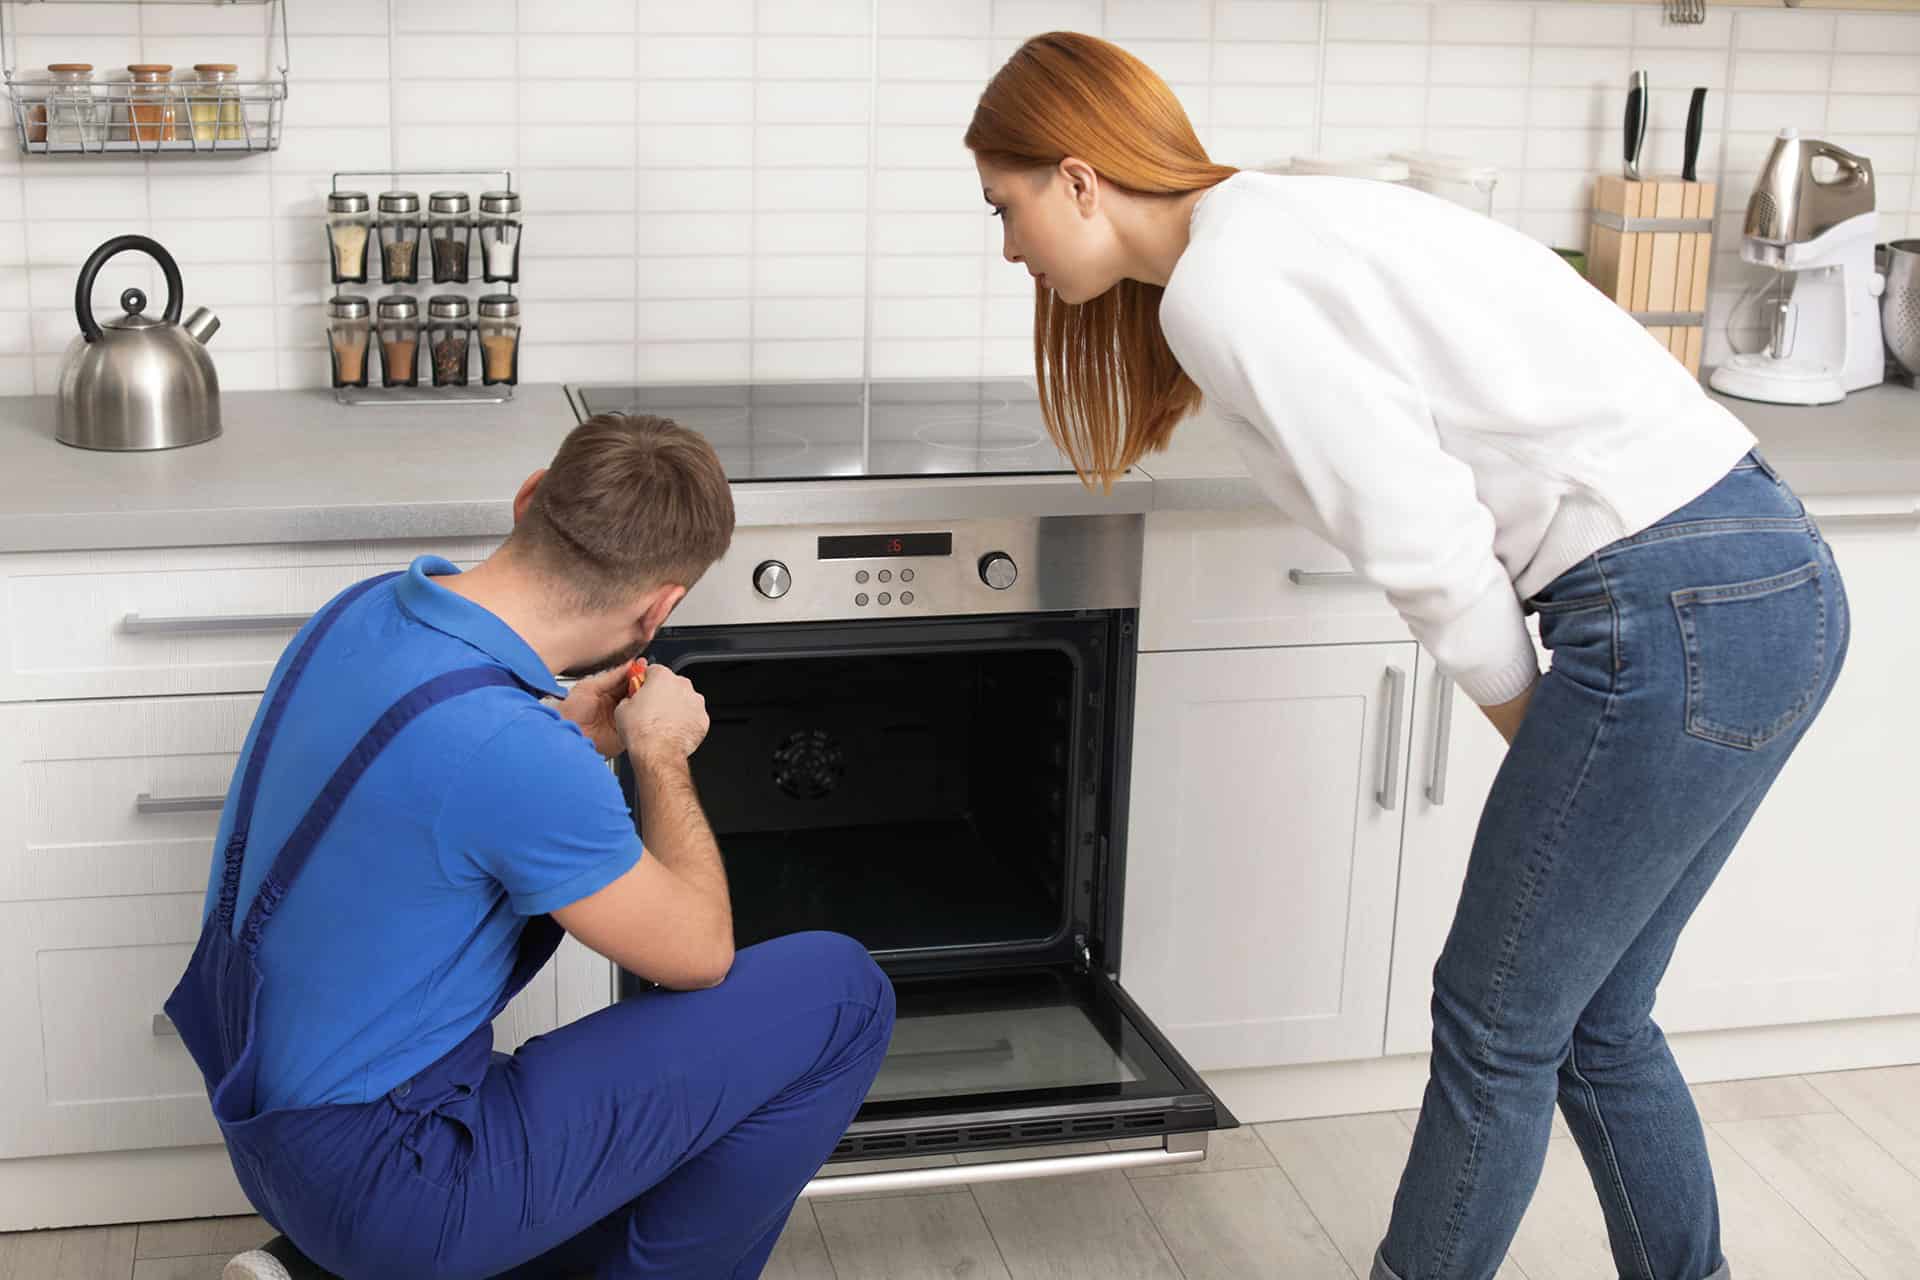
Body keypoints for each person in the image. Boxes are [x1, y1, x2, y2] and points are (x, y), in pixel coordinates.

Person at [965, 32, 1848, 1280]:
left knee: (1495, 1021)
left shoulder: (1229, 283)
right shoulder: (1262, 224)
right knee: (1593, 1018)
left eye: (1006, 209)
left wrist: (1531, 722)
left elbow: (1424, 532)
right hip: (1768, 579)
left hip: (1671, 610)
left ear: (1077, 176)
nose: (1009, 246)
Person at [162, 413, 895, 1280]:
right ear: (661, 608)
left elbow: (428, 792)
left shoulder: (360, 614)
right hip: (394, 1179)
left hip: (270, 1141)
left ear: (528, 499)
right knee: (843, 997)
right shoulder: (512, 755)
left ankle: (315, 1270)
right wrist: (657, 753)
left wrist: (570, 740)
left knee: (659, 1108)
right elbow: (697, 955)